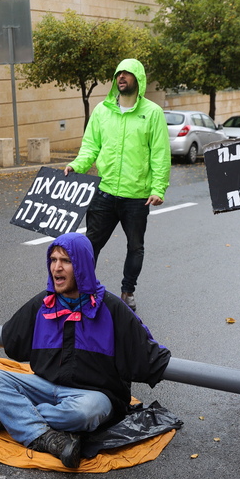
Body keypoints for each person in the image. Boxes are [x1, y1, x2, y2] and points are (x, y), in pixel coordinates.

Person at [0, 232, 171, 468]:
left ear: (83, 266)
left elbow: (144, 356)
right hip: (47, 388)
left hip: (94, 396)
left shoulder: (111, 307)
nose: (57, 268)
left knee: (84, 413)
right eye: (53, 260)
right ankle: (43, 435)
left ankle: (11, 416)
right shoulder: (43, 304)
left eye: (66, 261)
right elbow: (13, 344)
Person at [64, 58, 170, 312]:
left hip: (137, 196)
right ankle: (83, 289)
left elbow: (159, 154)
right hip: (105, 191)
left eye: (128, 73)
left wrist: (158, 188)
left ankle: (127, 291)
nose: (122, 76)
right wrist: (77, 165)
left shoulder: (152, 113)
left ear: (139, 79)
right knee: (90, 244)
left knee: (135, 246)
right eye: (119, 73)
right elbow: (91, 146)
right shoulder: (102, 110)